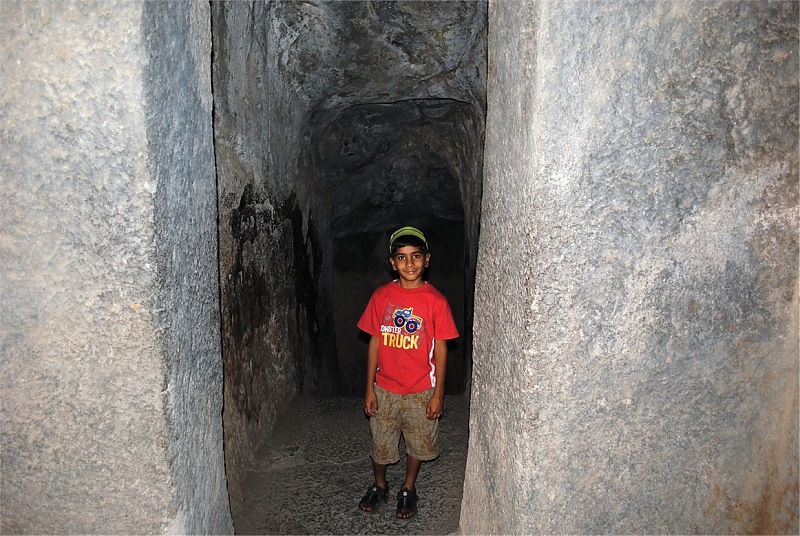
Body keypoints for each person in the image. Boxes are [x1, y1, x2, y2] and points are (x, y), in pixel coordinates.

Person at [356, 225, 459, 520]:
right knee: (381, 442)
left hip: (421, 388)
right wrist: (369, 388)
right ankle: (380, 484)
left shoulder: (436, 301)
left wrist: (438, 394)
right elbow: (374, 341)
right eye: (402, 257)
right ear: (392, 262)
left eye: (416, 256)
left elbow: (441, 350)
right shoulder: (381, 296)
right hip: (385, 387)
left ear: (427, 259)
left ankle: (408, 487)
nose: (409, 264)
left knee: (419, 440)